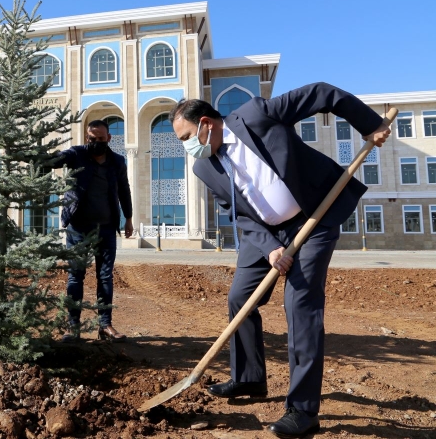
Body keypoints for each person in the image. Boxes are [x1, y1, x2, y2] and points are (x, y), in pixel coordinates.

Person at [170, 83, 390, 438]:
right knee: (240, 297)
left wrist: (370, 123)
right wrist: (270, 246)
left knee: (300, 304)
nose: (187, 147)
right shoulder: (204, 169)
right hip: (264, 236)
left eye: (186, 137)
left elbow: (322, 94)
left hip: (312, 217)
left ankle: (302, 411)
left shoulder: (258, 114)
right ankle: (249, 378)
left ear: (207, 123)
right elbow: (238, 215)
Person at [52, 119, 134, 342]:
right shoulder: (77, 154)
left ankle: (105, 326)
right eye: (91, 139)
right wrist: (37, 157)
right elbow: (57, 159)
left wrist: (128, 218)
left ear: (108, 138)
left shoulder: (117, 162)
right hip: (78, 228)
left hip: (106, 228)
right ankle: (73, 327)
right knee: (75, 276)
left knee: (105, 277)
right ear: (86, 138)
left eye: (100, 139)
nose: (96, 142)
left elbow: (124, 190)